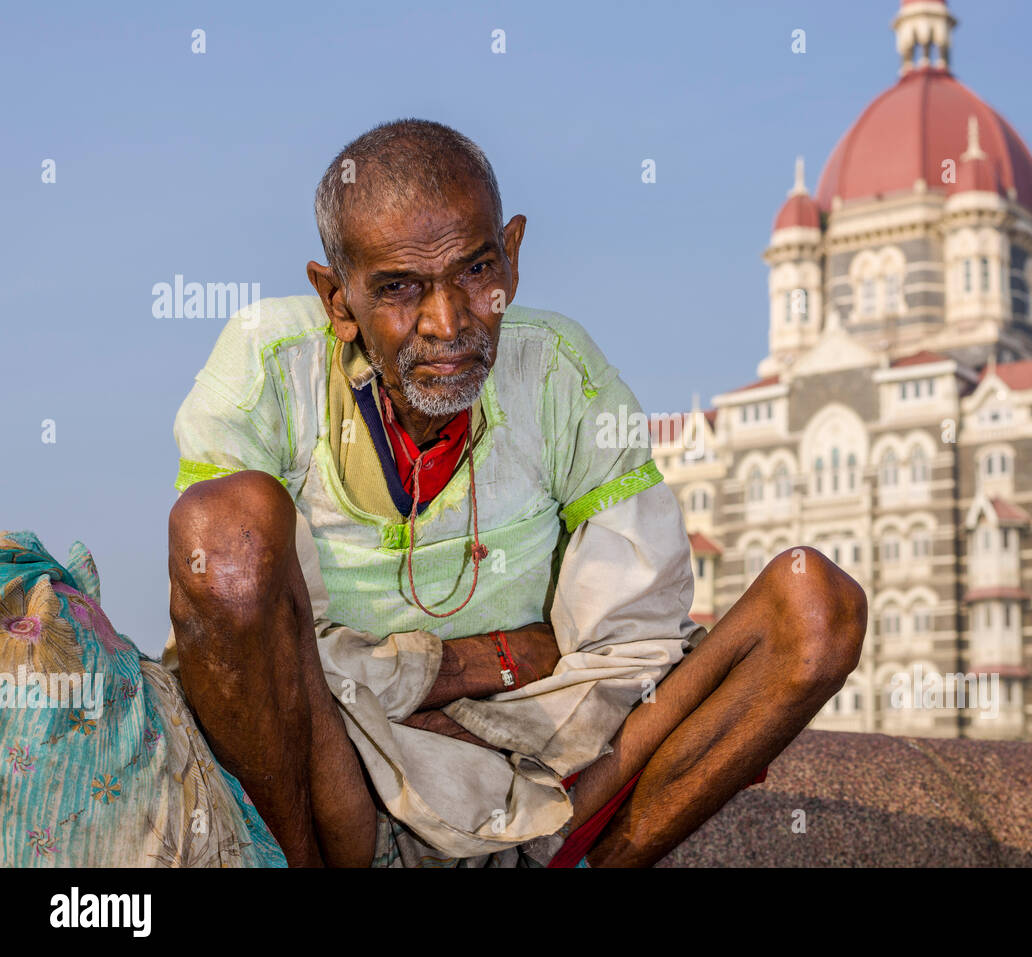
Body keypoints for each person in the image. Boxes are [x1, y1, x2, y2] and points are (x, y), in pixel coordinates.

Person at [164, 119, 867, 868]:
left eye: (474, 271)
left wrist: (489, 714)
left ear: (513, 256)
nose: (449, 322)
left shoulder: (561, 368)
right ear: (338, 300)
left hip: (538, 747)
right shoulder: (269, 366)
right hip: (333, 766)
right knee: (223, 529)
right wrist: (481, 660)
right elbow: (255, 631)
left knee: (815, 605)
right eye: (400, 289)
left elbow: (629, 642)